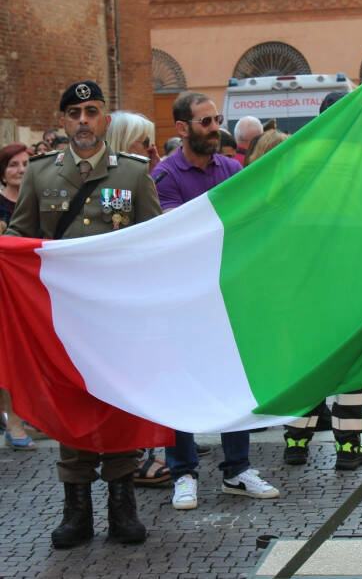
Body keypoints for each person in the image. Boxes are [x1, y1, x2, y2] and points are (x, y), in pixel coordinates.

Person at [4, 80, 162, 548]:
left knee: (115, 404)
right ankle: (76, 511)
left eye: (92, 112)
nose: (83, 122)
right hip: (62, 320)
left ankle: (122, 506)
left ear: (105, 122)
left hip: (116, 320)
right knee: (68, 403)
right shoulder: (40, 175)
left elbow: (152, 244)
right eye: (74, 114)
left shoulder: (132, 175)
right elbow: (20, 241)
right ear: (63, 122)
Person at [151, 91, 279, 510]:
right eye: (205, 122)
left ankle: (237, 470)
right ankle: (183, 472)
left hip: (227, 295)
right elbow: (177, 234)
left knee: (233, 381)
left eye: (217, 119)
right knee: (181, 384)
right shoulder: (166, 176)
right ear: (182, 129)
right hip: (185, 298)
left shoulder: (231, 168)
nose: (215, 128)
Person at [282, 88, 362, 471]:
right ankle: (348, 447)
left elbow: (276, 209)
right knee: (352, 363)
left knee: (305, 360)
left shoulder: (297, 156)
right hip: (350, 278)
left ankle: (296, 439)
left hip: (305, 278)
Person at [105, 111, 171, 487]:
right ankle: (133, 455)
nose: (150, 149)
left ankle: (145, 452)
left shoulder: (144, 175)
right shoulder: (121, 184)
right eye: (142, 142)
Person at [0, 143, 37, 450]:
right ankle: (13, 419)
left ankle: (30, 413)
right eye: (13, 164)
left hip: (32, 289)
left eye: (26, 163)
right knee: (8, 353)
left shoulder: (39, 199)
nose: (21, 170)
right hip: (4, 289)